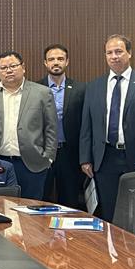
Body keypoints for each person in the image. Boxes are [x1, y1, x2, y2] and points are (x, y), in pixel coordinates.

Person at [80, 35, 135, 219]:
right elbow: (87, 126)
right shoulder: (94, 86)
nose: (114, 56)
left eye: (119, 51)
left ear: (130, 53)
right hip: (105, 158)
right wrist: (85, 158)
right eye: (109, 52)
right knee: (109, 213)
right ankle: (110, 248)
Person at [0, 50, 57, 201]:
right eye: (3, 68)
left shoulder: (42, 93)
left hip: (32, 164)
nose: (8, 70)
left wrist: (48, 158)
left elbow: (51, 128)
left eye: (13, 66)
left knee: (30, 211)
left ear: (23, 67)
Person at [39, 44, 86, 208]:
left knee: (71, 201)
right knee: (41, 199)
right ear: (45, 63)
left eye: (60, 59)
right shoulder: (35, 89)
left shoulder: (81, 89)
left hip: (70, 154)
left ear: (67, 62)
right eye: (51, 59)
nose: (56, 62)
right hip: (43, 153)